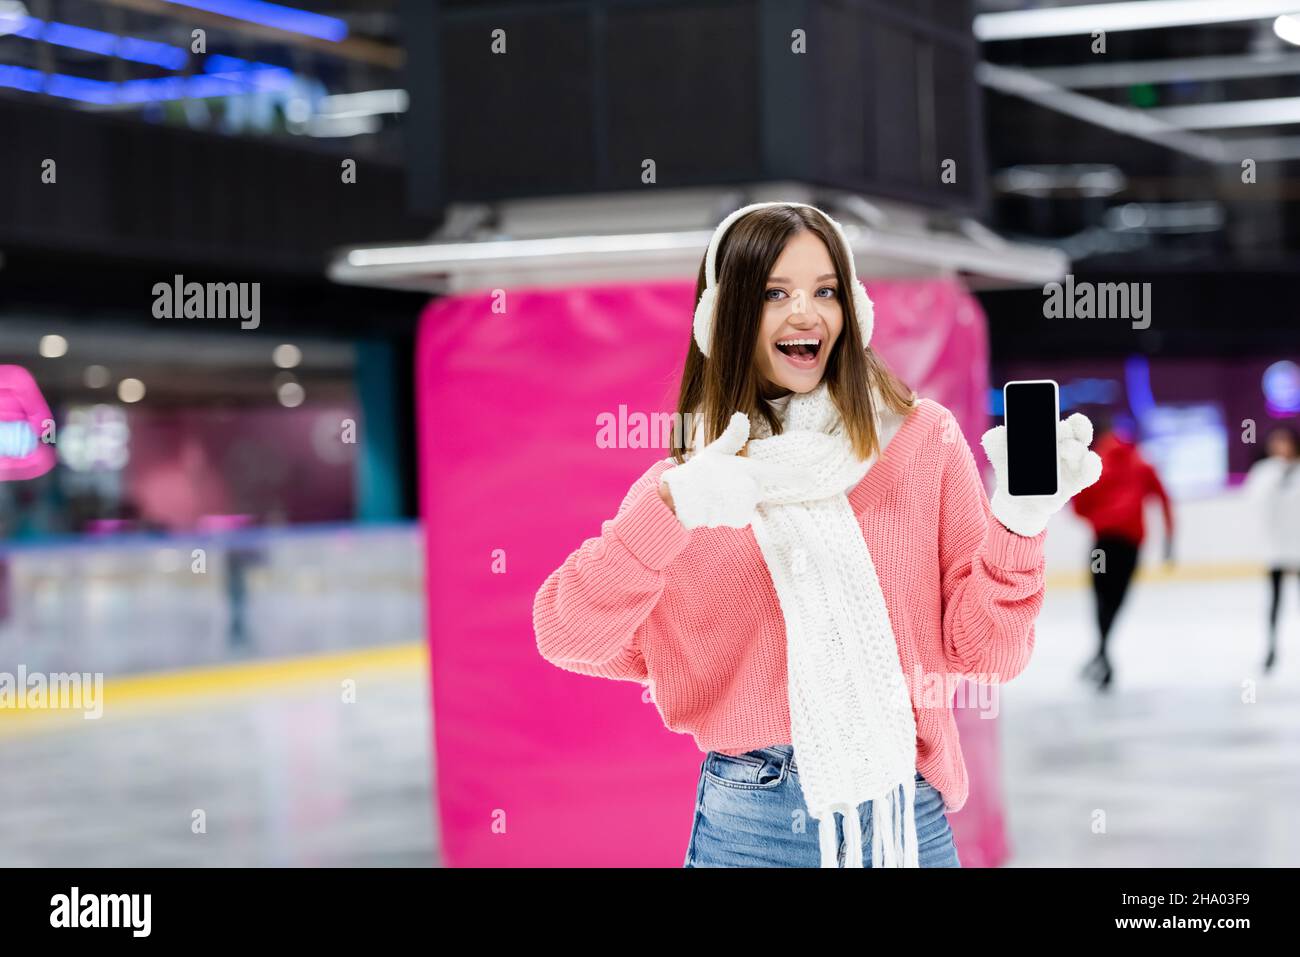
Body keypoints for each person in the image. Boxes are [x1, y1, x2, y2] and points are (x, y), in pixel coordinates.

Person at [532, 202, 1101, 868]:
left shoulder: (922, 442)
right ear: (726, 318)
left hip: (905, 819)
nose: (806, 311)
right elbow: (565, 633)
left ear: (852, 310)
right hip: (752, 825)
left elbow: (988, 655)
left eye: (825, 290)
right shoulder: (689, 487)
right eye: (775, 293)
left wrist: (1017, 526)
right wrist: (668, 509)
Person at [1070, 413, 1174, 691]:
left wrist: (1099, 518)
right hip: (1130, 544)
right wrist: (1169, 541)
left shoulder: (1095, 465)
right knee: (1116, 601)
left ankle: (1102, 656)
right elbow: (1164, 499)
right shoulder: (1140, 461)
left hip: (1103, 543)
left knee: (1101, 599)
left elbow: (1078, 505)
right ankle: (1103, 655)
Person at [1243, 425, 1300, 672]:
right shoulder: (1265, 472)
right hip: (1276, 545)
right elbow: (1255, 503)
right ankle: (1271, 647)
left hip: (1297, 542)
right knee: (1275, 600)